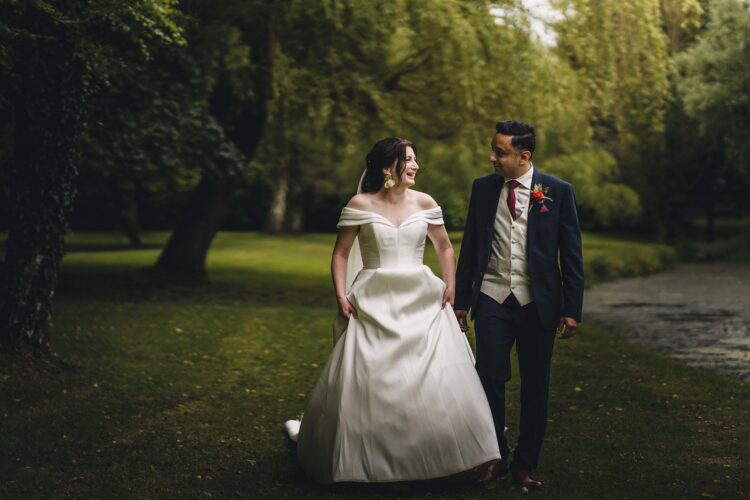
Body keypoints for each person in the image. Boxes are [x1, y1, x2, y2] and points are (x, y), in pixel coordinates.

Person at [286, 137, 501, 484]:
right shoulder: (360, 204)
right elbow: (341, 253)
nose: (416, 166)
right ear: (388, 167)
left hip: (420, 296)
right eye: (409, 160)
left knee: (430, 374)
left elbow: (444, 247)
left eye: (415, 159)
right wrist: (341, 294)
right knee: (371, 376)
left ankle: (435, 454)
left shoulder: (425, 202)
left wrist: (450, 285)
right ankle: (360, 458)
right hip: (372, 298)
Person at [454, 120, 584, 489]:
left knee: (535, 384)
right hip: (492, 296)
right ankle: (495, 455)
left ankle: (525, 465)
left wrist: (572, 308)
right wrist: (463, 299)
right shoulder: (482, 189)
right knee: (489, 377)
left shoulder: (557, 192)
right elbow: (472, 246)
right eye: (493, 149)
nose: (491, 157)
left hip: (537, 303)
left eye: (500, 152)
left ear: (524, 157)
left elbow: (572, 256)